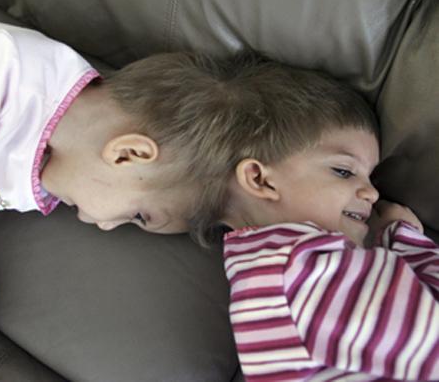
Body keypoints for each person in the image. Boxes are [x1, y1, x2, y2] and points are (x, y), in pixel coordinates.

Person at [0, 20, 227, 356]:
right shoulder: (0, 71)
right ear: (128, 154)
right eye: (137, 215)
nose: (106, 226)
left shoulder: (53, 161)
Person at [177, 54, 438, 381]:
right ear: (261, 180)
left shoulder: (281, 271)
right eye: (344, 171)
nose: (371, 193)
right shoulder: (305, 272)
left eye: (370, 177)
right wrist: (408, 242)